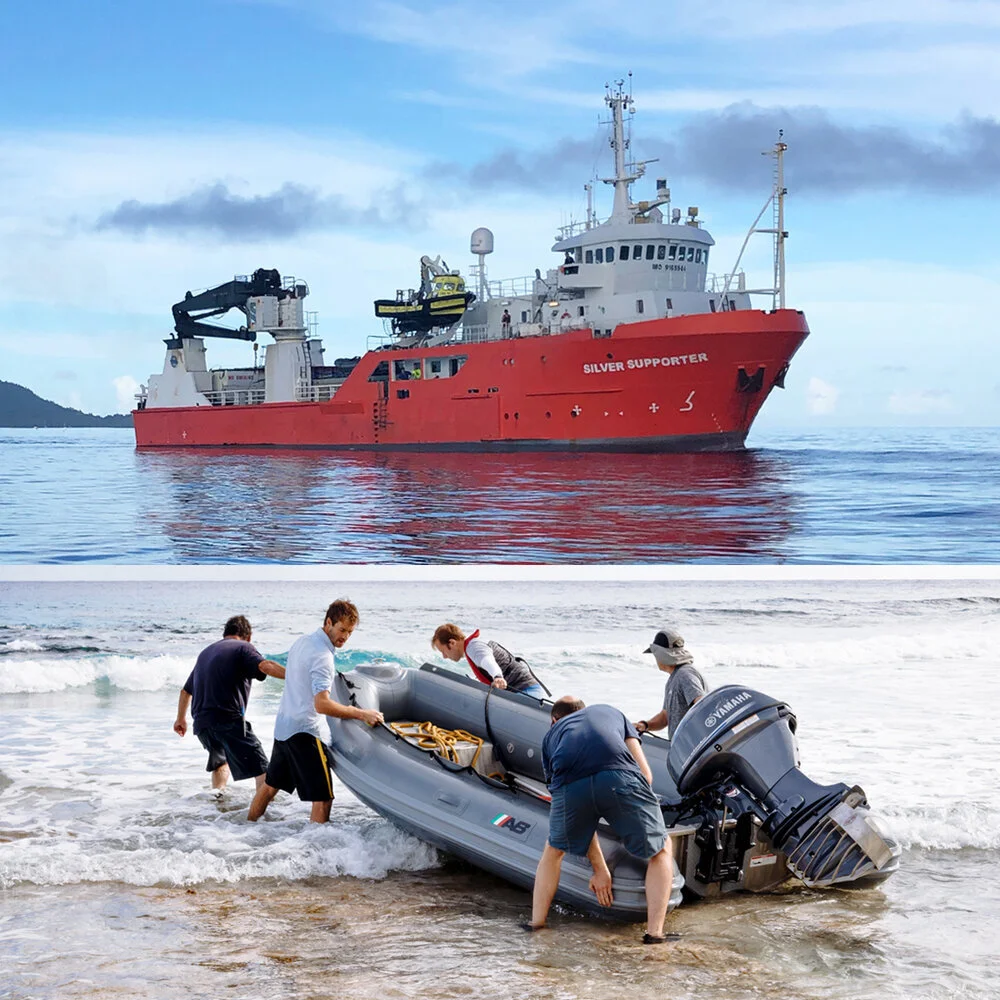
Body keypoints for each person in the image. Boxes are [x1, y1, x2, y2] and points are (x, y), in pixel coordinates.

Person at [524, 696, 679, 944]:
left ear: (554, 721)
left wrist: (600, 870)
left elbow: (574, 808)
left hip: (571, 784)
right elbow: (646, 777)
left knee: (553, 850)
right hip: (619, 777)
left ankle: (536, 924)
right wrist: (630, 816)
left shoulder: (551, 736)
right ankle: (654, 935)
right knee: (660, 849)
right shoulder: (611, 712)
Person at [248, 600, 383, 823]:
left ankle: (248, 826)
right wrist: (362, 713)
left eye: (349, 632)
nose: (345, 637)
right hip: (304, 732)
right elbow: (322, 705)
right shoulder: (323, 657)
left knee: (271, 786)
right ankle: (316, 852)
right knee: (323, 799)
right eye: (341, 630)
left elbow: (293, 677)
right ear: (328, 622)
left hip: (284, 727)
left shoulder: (302, 642)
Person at [173, 615, 286, 793]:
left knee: (220, 762)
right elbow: (265, 666)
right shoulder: (243, 647)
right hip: (228, 720)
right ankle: (263, 817)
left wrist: (180, 719)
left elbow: (185, 691)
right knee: (264, 770)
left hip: (203, 725)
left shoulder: (206, 653)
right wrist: (295, 675)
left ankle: (219, 802)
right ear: (248, 636)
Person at [431, 624, 546, 697]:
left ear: (452, 643)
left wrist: (497, 677)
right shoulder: (472, 646)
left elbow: (487, 661)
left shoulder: (474, 647)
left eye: (443, 651)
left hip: (527, 693)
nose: (444, 657)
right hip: (525, 691)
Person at [634, 629, 707, 739]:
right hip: (682, 748)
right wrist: (645, 725)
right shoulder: (673, 679)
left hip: (694, 747)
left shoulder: (684, 674)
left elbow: (703, 705)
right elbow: (665, 717)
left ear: (661, 655)